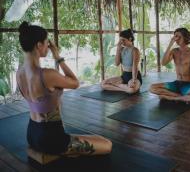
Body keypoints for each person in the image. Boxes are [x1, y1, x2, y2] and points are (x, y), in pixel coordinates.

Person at [16, 21, 112, 156]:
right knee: (107, 145)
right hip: (52, 139)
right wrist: (58, 57)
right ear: (39, 45)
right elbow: (75, 83)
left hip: (32, 133)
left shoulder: (19, 73)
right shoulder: (47, 74)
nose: (48, 47)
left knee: (97, 139)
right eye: (46, 43)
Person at [150, 28, 190, 103]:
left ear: (185, 37)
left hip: (188, 84)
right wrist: (170, 43)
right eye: (175, 36)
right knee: (152, 88)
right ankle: (180, 97)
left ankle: (171, 97)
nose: (176, 39)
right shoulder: (174, 51)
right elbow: (163, 63)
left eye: (178, 36)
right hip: (176, 83)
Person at [101, 29, 142, 94]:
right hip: (124, 76)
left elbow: (135, 67)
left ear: (130, 39)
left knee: (131, 90)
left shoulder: (135, 50)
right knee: (103, 84)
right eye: (120, 40)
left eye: (123, 40)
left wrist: (134, 80)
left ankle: (123, 87)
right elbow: (117, 63)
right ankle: (124, 88)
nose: (122, 42)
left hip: (134, 76)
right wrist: (118, 49)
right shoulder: (122, 49)